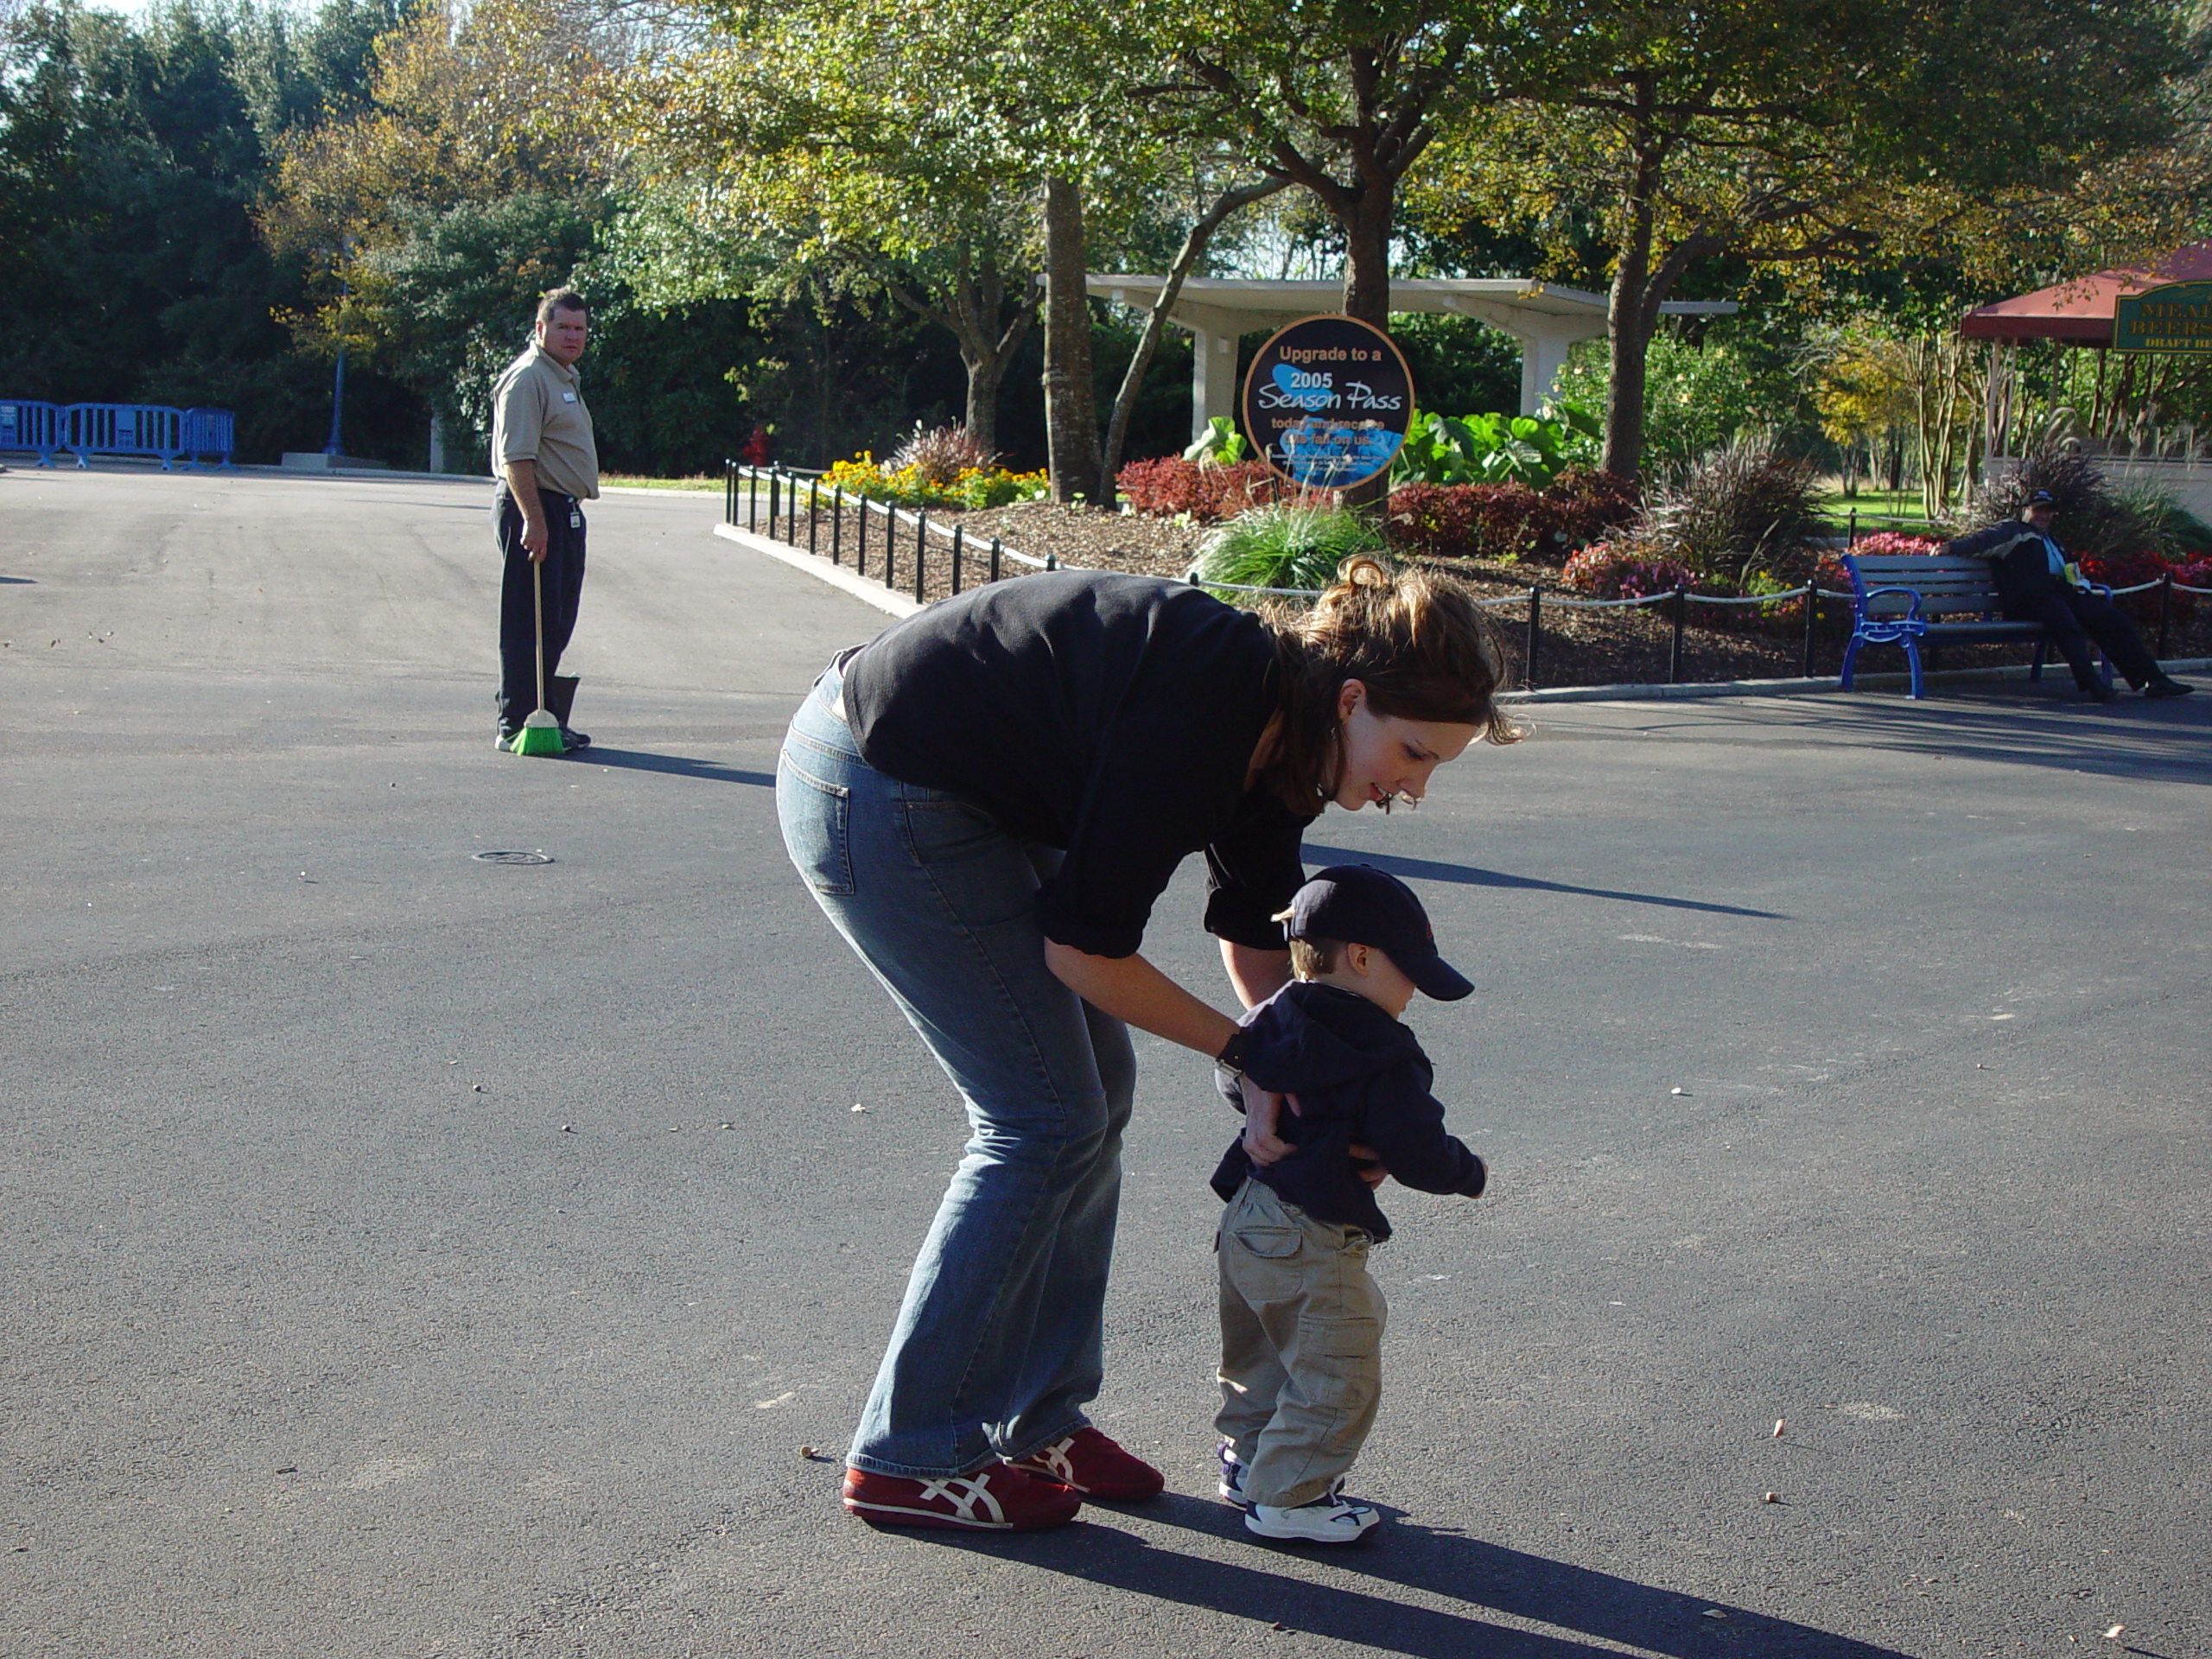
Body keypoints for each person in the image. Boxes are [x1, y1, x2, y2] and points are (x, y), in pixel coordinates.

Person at [775, 558, 1518, 1532]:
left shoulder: (1293, 739)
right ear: (1351, 699)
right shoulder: (1207, 710)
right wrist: (1257, 1062)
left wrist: (1289, 1072)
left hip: (968, 791)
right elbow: (1087, 951)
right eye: (1413, 753)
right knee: (1041, 1119)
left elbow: (1257, 932)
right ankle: (909, 1453)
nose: (1412, 788)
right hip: (878, 780)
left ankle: (1036, 1419)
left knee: (1097, 1093)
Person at [1208, 864, 1488, 1544]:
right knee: (1338, 1367)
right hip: (1312, 1227)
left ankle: (1250, 1463)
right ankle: (1292, 1497)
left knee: (1261, 1358)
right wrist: (1467, 1171)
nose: (1416, 988)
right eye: (1411, 970)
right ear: (1360, 957)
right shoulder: (1381, 1045)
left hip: (1246, 1215)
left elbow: (1229, 1074)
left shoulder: (1271, 1011)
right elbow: (1413, 1144)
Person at [1946, 490, 2194, 703]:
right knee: (2066, 622)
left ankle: (2154, 680)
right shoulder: (2012, 530)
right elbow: (1982, 541)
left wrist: (2080, 587)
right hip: (2030, 599)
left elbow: (2069, 573)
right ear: (2025, 509)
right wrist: (1951, 547)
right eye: (2038, 510)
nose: (2044, 515)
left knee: (2112, 619)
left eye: (2049, 511)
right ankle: (2093, 685)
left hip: (2059, 594)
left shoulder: (2051, 539)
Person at [491, 288, 600, 752]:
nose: (572, 336)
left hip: (564, 509)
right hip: (534, 506)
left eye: (579, 328)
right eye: (563, 327)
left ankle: (547, 716)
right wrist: (534, 521)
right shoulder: (528, 379)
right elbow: (517, 458)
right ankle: (516, 721)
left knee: (555, 621)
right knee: (527, 621)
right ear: (541, 329)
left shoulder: (562, 377)